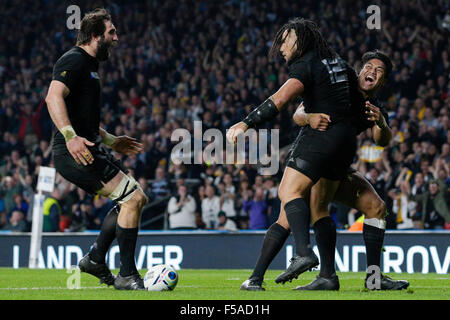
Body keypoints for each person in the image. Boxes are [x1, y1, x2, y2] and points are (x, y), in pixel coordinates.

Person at [241, 51, 408, 291]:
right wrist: (309, 117)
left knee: (376, 208)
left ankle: (372, 278)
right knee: (294, 215)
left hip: (337, 167)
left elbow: (382, 140)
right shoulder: (340, 85)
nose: (371, 71)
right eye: (368, 66)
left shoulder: (373, 108)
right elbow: (299, 112)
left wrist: (381, 121)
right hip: (315, 158)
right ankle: (262, 277)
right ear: (360, 71)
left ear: (382, 81)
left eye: (379, 70)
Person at [229, 18, 359, 290]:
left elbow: (280, 100)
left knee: (288, 193)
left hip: (322, 137)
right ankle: (321, 276)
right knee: (306, 210)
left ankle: (302, 252)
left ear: (300, 40)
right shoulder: (338, 63)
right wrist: (312, 118)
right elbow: (354, 100)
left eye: (285, 40)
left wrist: (246, 123)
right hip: (345, 141)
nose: (280, 48)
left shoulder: (306, 64)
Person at [45, 8, 148, 290]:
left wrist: (113, 141)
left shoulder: (90, 66)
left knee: (133, 199)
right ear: (94, 35)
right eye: (111, 32)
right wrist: (70, 137)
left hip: (87, 147)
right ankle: (125, 274)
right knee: (133, 199)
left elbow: (84, 121)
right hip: (73, 152)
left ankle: (96, 258)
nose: (116, 37)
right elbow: (53, 97)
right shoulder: (74, 60)